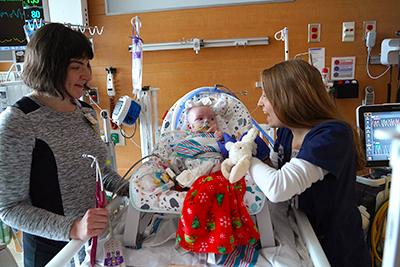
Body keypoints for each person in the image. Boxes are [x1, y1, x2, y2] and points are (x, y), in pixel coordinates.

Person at [0, 23, 128, 267]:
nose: (88, 75)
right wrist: (74, 227)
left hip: (90, 245)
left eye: (87, 65)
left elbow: (99, 170)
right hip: (52, 254)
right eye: (76, 67)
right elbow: (9, 208)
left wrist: (132, 190)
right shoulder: (19, 121)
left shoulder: (86, 113)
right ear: (50, 68)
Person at [248, 59, 371, 267]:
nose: (260, 103)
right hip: (302, 235)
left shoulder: (332, 134)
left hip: (336, 249)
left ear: (289, 98)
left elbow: (279, 188)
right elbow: (277, 173)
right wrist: (262, 157)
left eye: (266, 96)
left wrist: (244, 158)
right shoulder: (287, 132)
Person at [175, 103, 260, 254]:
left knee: (225, 168)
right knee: (195, 175)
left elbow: (230, 152)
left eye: (211, 118)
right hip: (198, 166)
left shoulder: (219, 136)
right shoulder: (189, 139)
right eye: (200, 119)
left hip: (218, 166)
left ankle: (216, 178)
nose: (206, 122)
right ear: (190, 126)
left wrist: (221, 141)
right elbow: (180, 154)